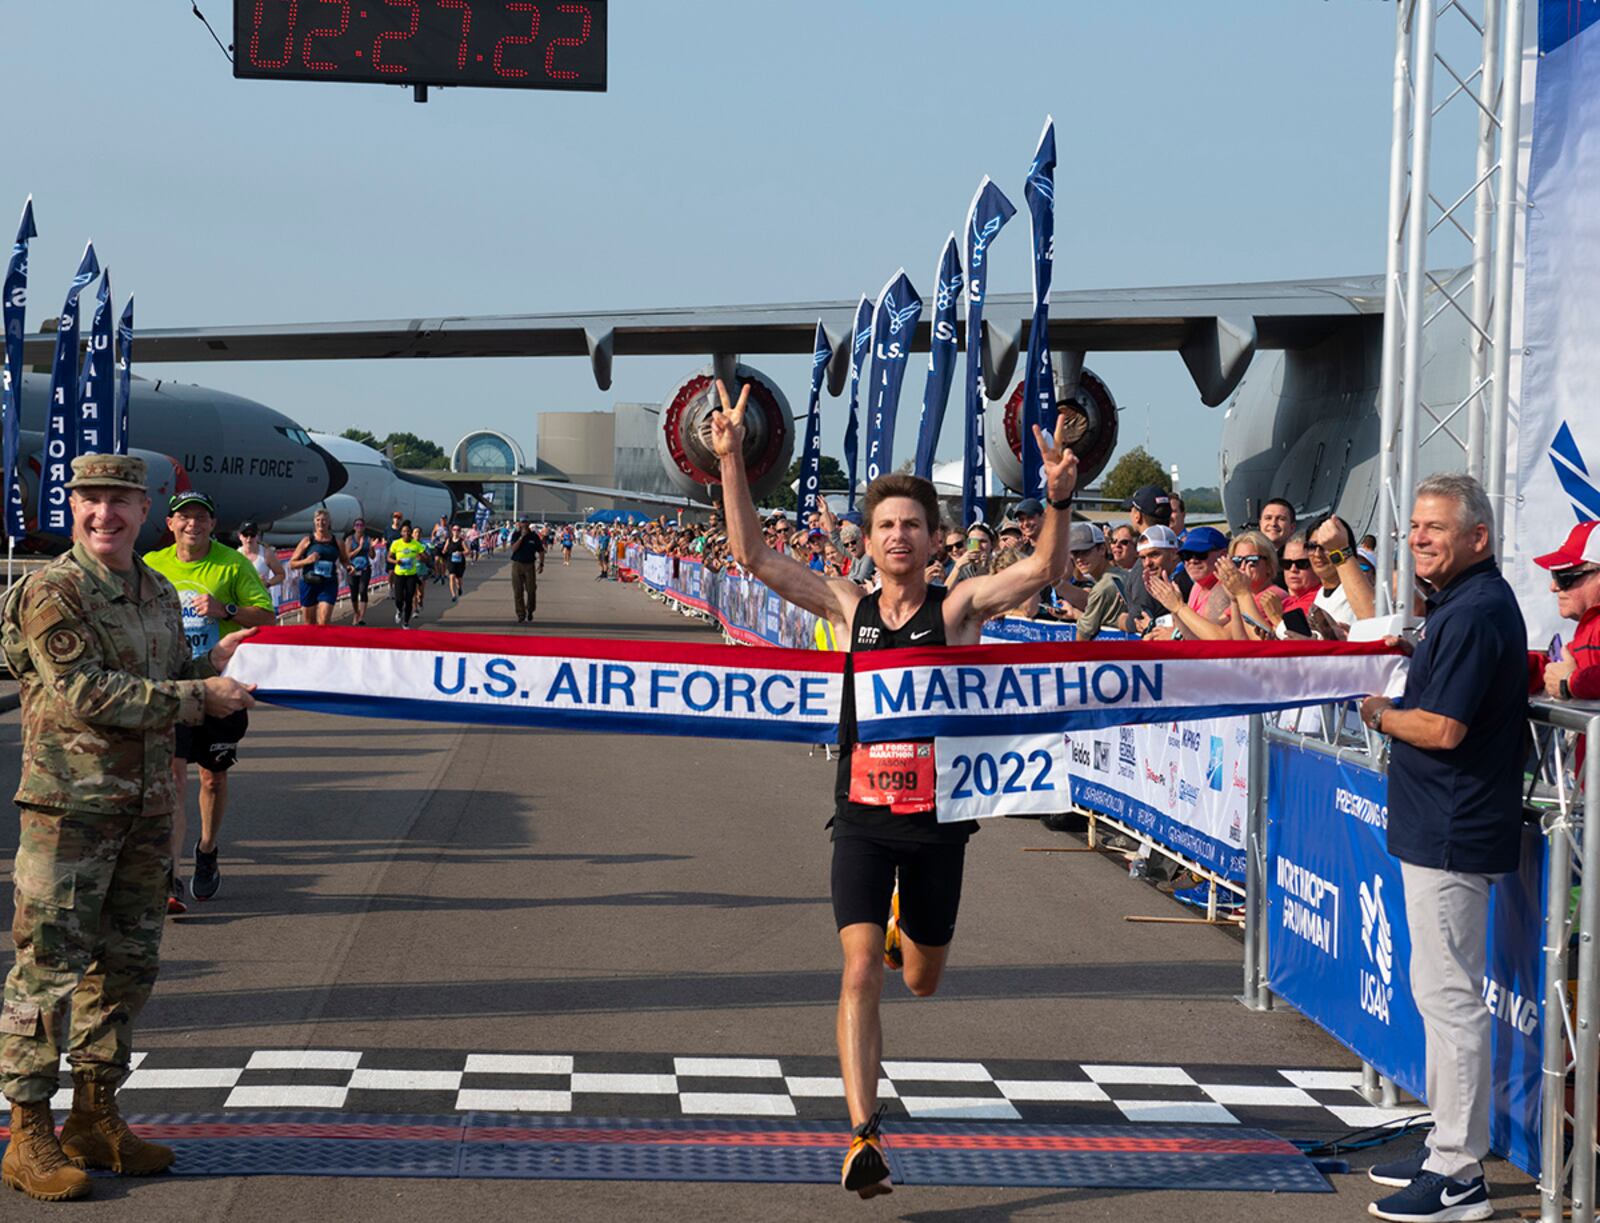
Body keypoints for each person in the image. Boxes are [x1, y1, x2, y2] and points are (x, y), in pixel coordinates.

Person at [711, 378, 1078, 1200]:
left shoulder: (957, 610)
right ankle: (862, 1133)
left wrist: (1058, 500)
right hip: (864, 817)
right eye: (885, 525)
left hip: (939, 822)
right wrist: (732, 459)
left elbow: (1044, 568)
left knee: (921, 977)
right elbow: (754, 559)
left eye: (913, 524)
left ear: (934, 538)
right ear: (870, 542)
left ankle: (900, 935)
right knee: (855, 972)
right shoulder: (847, 604)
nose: (899, 536)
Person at [0, 454, 255, 1202]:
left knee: (125, 968)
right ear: (73, 506)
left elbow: (177, 668)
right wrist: (196, 694)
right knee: (46, 971)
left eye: (119, 501)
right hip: (68, 812)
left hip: (145, 809)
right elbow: (83, 690)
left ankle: (94, 1112)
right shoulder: (53, 589)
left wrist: (223, 661)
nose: (103, 514)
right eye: (90, 500)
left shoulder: (156, 590)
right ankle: (26, 1131)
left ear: (147, 510)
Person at [1358, 473, 1527, 1223]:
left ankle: (1459, 1174)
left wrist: (1378, 712)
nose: (1418, 537)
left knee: (1450, 999)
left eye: (1434, 527)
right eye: (1415, 527)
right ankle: (1445, 1147)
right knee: (1438, 994)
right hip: (1440, 823)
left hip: (1454, 828)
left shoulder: (1478, 610)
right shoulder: (1462, 605)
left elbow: (1443, 727)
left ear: (1478, 538)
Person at [142, 490, 275, 907]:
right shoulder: (151, 564)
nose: (192, 525)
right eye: (184, 518)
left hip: (220, 685)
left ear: (212, 525)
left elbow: (266, 617)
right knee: (175, 777)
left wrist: (225, 608)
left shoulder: (231, 563)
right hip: (175, 686)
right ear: (170, 524)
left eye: (201, 518)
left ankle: (207, 850)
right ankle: (172, 877)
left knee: (211, 777)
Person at [1528, 521, 1600, 703]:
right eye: (1554, 576)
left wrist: (1570, 682)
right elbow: (1557, 667)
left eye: (1564, 577)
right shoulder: (1590, 625)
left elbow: (1570, 675)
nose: (1553, 587)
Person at [1305, 512, 1377, 639]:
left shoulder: (1357, 591)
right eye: (1312, 546)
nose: (1317, 554)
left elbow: (1373, 622)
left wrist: (1341, 549)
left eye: (1326, 547)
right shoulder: (1321, 593)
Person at [1063, 522, 1127, 642]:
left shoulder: (1101, 588)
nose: (1079, 558)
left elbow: (1081, 638)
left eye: (1085, 551)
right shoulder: (1123, 574)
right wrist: (1076, 614)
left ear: (1102, 549)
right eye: (1075, 553)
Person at [287, 509, 349, 627]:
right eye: (318, 520)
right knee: (309, 624)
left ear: (329, 522)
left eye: (324, 520)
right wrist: (307, 560)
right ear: (314, 522)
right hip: (309, 582)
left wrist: (349, 567)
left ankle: (322, 643)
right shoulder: (307, 541)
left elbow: (344, 560)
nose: (321, 523)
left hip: (328, 583)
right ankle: (310, 644)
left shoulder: (337, 542)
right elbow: (292, 564)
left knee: (324, 621)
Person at [1122, 525, 1180, 633]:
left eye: (1154, 554)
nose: (1147, 563)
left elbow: (1135, 621)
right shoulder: (1154, 578)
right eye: (1143, 558)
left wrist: (1120, 620)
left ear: (1174, 554)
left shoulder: (1189, 577)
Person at [235, 521, 285, 613]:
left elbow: (281, 574)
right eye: (245, 535)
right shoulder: (236, 555)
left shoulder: (266, 553)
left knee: (263, 627)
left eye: (252, 535)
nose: (249, 539)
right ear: (240, 536)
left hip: (261, 599)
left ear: (257, 536)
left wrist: (267, 583)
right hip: (242, 600)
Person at [388, 523, 426, 628]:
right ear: (401, 533)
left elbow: (426, 557)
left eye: (408, 531)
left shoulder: (416, 544)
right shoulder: (396, 543)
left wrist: (421, 557)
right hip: (399, 575)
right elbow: (389, 557)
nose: (407, 533)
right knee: (399, 599)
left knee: (409, 599)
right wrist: (396, 561)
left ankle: (406, 622)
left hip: (411, 575)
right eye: (404, 531)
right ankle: (399, 610)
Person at [509, 518, 546, 622]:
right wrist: (522, 537)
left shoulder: (534, 536)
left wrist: (541, 564)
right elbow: (514, 549)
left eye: (525, 522)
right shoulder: (516, 534)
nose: (523, 524)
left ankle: (530, 610)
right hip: (517, 564)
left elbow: (541, 551)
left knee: (531, 590)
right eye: (522, 522)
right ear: (519, 524)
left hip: (529, 565)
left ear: (528, 523)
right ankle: (521, 614)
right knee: (518, 591)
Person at [343, 518, 375, 625]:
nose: (359, 527)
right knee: (354, 593)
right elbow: (348, 555)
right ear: (354, 527)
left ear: (364, 527)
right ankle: (356, 613)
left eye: (361, 525)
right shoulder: (350, 539)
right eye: (357, 525)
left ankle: (361, 617)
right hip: (353, 569)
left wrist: (371, 548)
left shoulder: (368, 539)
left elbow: (372, 556)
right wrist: (360, 547)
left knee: (363, 590)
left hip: (365, 568)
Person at [443, 524, 469, 602]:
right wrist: (444, 551)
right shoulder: (449, 540)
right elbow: (445, 549)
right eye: (454, 530)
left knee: (458, 579)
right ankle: (453, 595)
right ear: (452, 531)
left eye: (457, 530)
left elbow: (468, 551)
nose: (456, 531)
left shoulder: (462, 541)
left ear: (460, 532)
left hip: (460, 562)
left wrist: (461, 553)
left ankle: (459, 587)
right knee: (451, 576)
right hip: (451, 561)